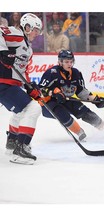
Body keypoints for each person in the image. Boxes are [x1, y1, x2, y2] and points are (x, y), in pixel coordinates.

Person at [38, 50, 104, 141]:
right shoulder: (51, 73)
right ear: (60, 62)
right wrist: (53, 93)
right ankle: (79, 132)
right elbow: (40, 90)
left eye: (71, 61)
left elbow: (80, 91)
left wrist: (95, 99)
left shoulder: (76, 73)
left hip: (65, 99)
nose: (69, 64)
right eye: (66, 62)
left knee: (83, 111)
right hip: (48, 103)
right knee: (62, 113)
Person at [0, 13, 43, 165]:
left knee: (22, 110)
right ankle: (21, 149)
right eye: (35, 30)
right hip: (3, 83)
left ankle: (12, 143)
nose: (37, 34)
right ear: (27, 26)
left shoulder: (28, 49)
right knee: (33, 109)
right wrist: (2, 51)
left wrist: (30, 86)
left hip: (10, 85)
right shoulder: (16, 34)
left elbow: (23, 71)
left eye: (38, 31)